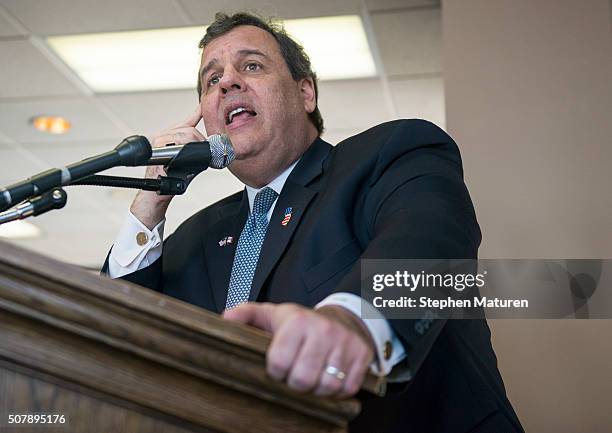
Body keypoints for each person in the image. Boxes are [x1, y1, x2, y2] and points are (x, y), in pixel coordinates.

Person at [104, 12, 523, 433]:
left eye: (251, 65)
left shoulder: (386, 155)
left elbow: (433, 242)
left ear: (305, 92)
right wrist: (151, 200)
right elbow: (118, 334)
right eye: (212, 80)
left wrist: (352, 322)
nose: (227, 82)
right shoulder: (196, 237)